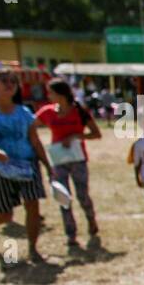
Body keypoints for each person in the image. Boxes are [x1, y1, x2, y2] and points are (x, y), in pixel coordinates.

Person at [0, 71, 57, 262]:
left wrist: (47, 165)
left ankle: (33, 249)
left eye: (13, 82)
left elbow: (35, 141)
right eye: (5, 81)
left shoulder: (24, 112)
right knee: (5, 214)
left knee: (33, 206)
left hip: (27, 164)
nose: (9, 84)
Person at [35, 78, 102, 250]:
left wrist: (76, 137)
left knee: (82, 195)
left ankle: (91, 219)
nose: (48, 96)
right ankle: (71, 234)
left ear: (61, 94)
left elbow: (96, 133)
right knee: (63, 197)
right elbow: (29, 126)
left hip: (77, 159)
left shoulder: (79, 111)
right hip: (58, 161)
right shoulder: (47, 112)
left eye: (50, 92)